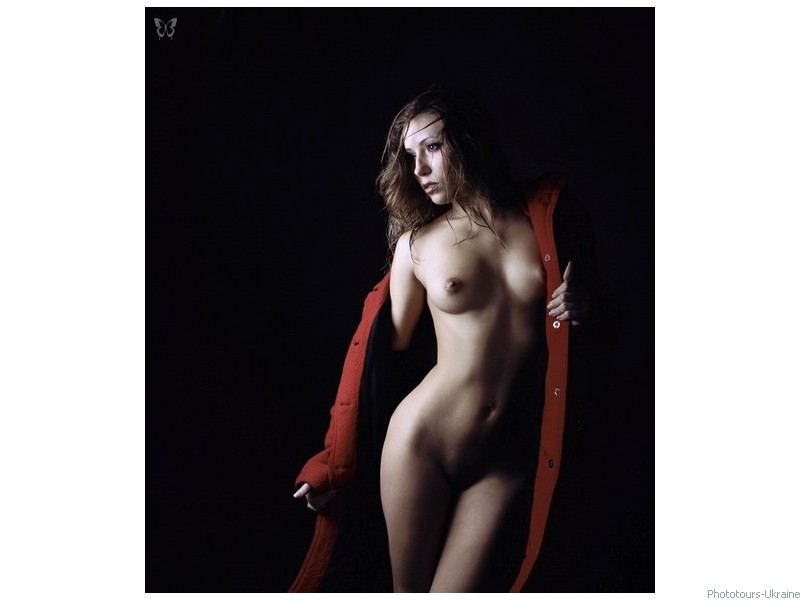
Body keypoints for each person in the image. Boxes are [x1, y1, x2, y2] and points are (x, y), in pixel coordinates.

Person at [290, 84, 607, 592]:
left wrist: (588, 310)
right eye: (410, 155)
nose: (418, 169)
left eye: (432, 147)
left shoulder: (548, 225)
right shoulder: (417, 246)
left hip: (504, 460)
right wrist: (333, 464)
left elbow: (600, 339)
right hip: (421, 443)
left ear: (470, 140)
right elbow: (376, 365)